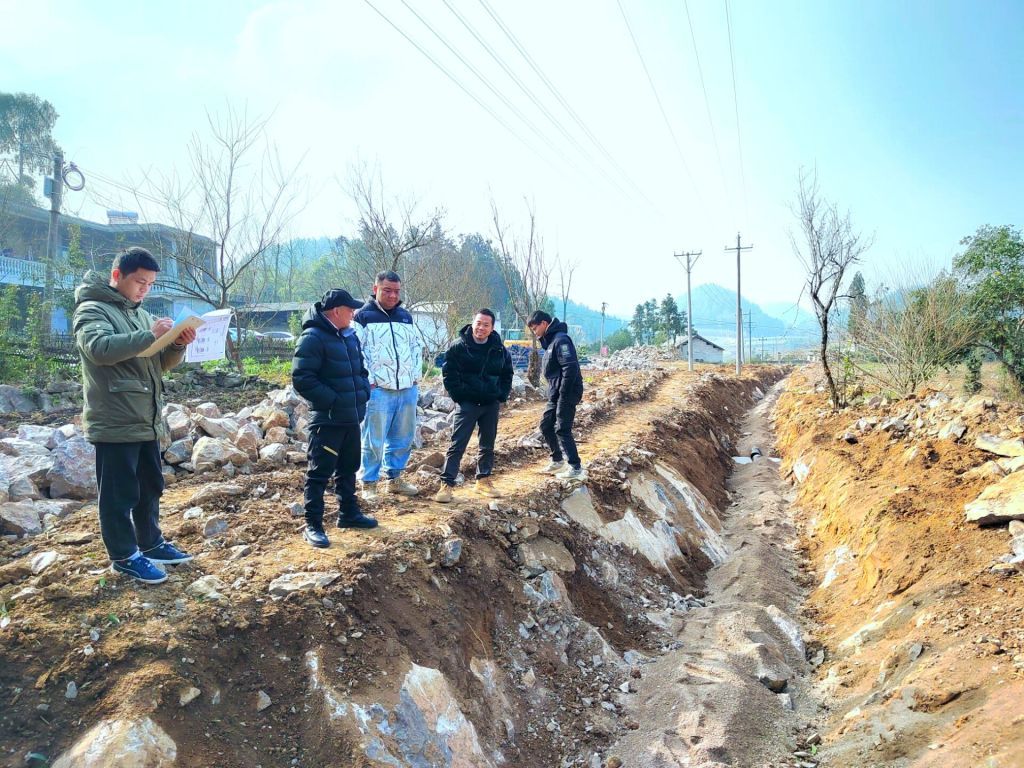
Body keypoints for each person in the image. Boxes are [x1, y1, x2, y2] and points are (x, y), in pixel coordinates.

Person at [73, 247, 197, 585]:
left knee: (149, 486)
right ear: (117, 276)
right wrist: (150, 335)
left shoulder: (140, 314)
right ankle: (124, 556)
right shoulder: (92, 309)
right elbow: (98, 350)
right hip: (115, 420)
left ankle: (151, 543)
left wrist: (176, 345)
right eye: (139, 282)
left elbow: (156, 364)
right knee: (119, 493)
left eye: (150, 284)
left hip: (146, 417)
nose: (145, 289)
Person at [292, 289, 377, 548]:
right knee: (319, 473)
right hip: (328, 420)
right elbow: (302, 379)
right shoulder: (312, 338)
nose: (353, 313)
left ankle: (348, 514)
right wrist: (335, 400)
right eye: (349, 309)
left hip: (351, 417)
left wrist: (361, 393)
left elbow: (360, 370)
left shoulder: (348, 336)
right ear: (336, 311)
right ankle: (313, 525)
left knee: (348, 467)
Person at [354, 270, 424, 500]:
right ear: (375, 289)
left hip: (406, 388)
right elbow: (357, 352)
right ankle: (369, 483)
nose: (393, 295)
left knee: (403, 437)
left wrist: (415, 375)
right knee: (373, 438)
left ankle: (395, 479)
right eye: (387, 290)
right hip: (379, 390)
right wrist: (370, 382)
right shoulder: (362, 317)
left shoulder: (405, 317)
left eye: (396, 291)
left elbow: (416, 347)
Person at [434, 309, 514, 503]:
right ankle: (447, 483)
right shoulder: (458, 347)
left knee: (487, 444)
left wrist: (500, 395)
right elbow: (449, 374)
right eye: (478, 323)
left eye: (486, 325)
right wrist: (460, 396)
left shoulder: (499, 349)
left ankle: (483, 480)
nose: (481, 328)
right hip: (468, 403)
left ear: (492, 328)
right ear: (472, 323)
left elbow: (507, 374)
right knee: (458, 443)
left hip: (490, 403)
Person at [527, 311, 585, 479]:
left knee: (562, 429)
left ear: (544, 323)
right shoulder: (550, 342)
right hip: (556, 391)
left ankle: (575, 467)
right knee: (546, 425)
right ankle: (557, 459)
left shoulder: (561, 340)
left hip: (566, 391)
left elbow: (570, 368)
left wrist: (564, 394)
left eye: (535, 328)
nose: (535, 332)